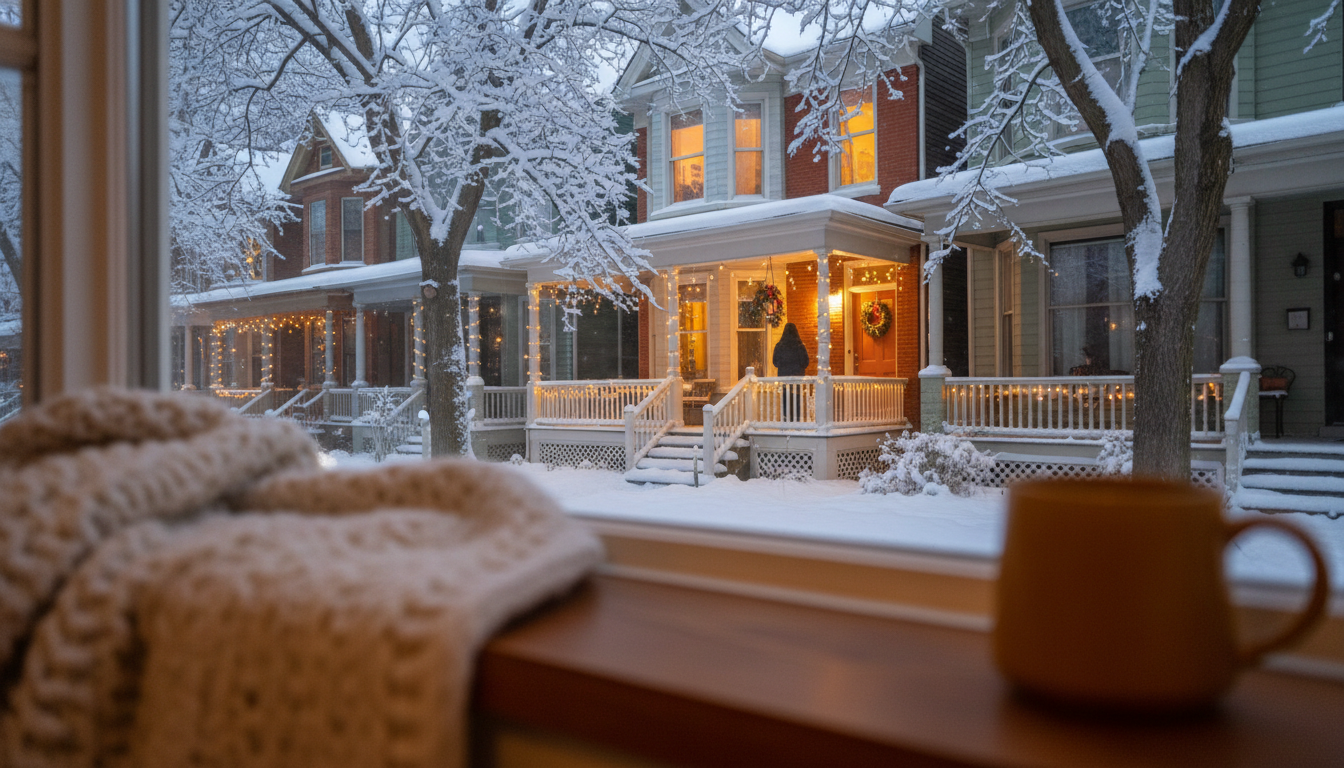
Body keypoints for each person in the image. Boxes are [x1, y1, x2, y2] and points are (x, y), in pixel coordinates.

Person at [772, 323, 809, 421]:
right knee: (796, 402)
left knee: (786, 401)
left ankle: (786, 420)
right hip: (797, 380)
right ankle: (796, 421)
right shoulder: (800, 346)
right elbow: (805, 362)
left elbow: (775, 362)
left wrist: (785, 366)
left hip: (784, 380)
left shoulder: (779, 346)